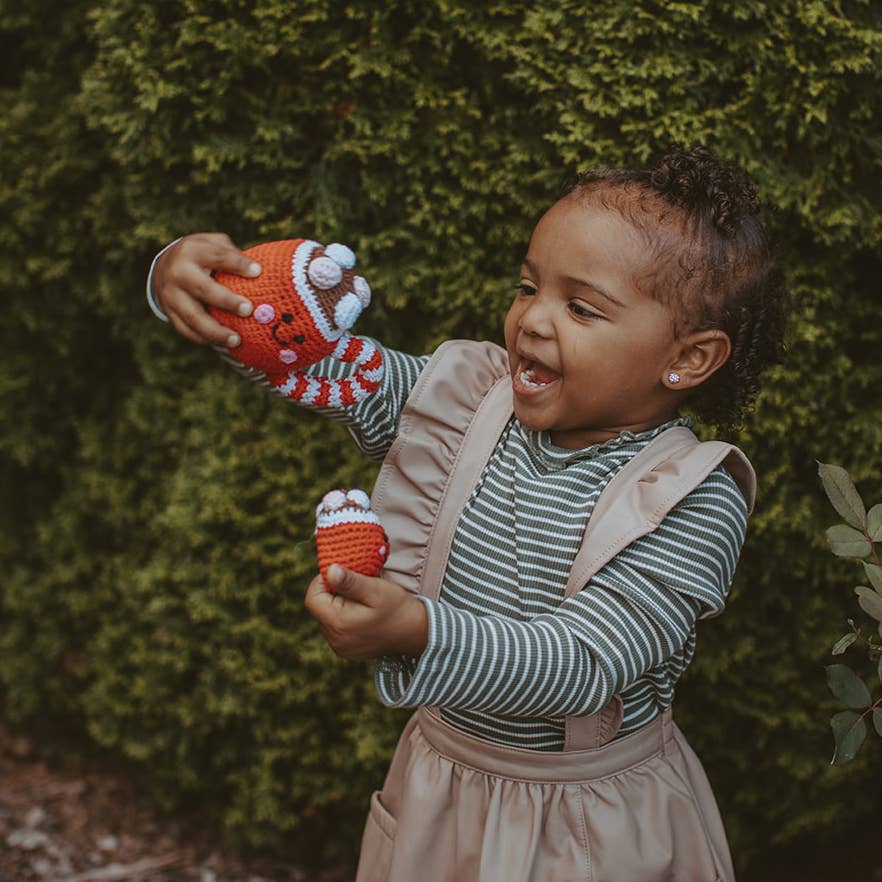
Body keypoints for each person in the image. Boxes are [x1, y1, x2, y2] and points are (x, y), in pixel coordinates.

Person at [146, 145, 787, 882]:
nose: (531, 320)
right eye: (528, 287)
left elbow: (584, 665)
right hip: (440, 788)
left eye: (581, 307)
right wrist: (192, 286)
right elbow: (309, 356)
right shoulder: (469, 404)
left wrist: (419, 630)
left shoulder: (691, 495)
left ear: (690, 358)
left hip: (588, 826)